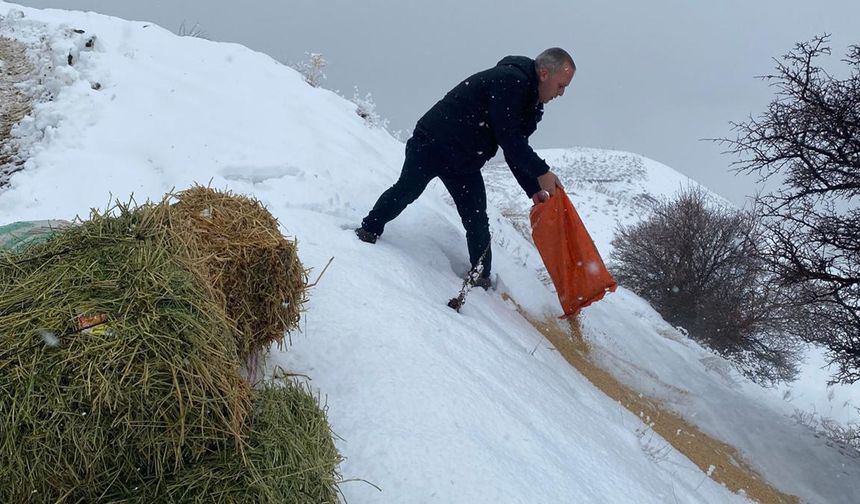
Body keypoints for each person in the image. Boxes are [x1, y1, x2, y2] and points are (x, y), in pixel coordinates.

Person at [356, 47, 574, 289]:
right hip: (432, 143)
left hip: (465, 159)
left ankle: (481, 278)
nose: (562, 93)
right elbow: (508, 137)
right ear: (544, 73)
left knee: (476, 217)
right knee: (407, 190)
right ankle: (368, 230)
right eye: (561, 85)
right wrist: (542, 172)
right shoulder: (510, 81)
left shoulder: (531, 105)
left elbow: (514, 149)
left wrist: (533, 187)